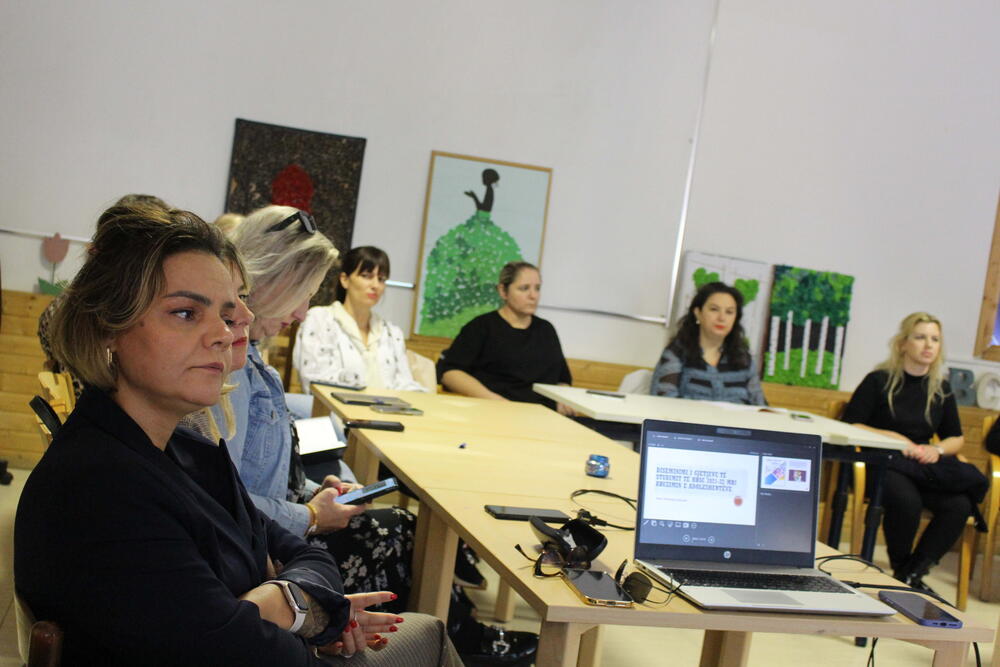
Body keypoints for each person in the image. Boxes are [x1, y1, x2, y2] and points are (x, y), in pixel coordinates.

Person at [16, 202, 460, 665]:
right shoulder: (102, 488)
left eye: (227, 314)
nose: (223, 335)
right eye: (186, 313)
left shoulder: (180, 449)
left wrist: (281, 603)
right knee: (428, 634)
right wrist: (299, 612)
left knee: (426, 629)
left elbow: (305, 554)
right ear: (108, 326)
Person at [224, 207, 537, 665]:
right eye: (300, 295)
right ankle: (448, 637)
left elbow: (261, 474)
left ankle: (454, 629)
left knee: (398, 525)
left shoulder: (254, 361)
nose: (301, 311)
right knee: (397, 533)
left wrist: (315, 493)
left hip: (282, 520)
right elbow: (230, 498)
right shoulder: (231, 372)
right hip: (274, 538)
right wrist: (309, 514)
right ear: (269, 281)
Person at [842, 312, 987, 592]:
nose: (928, 345)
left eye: (934, 339)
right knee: (905, 500)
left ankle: (913, 572)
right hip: (882, 462)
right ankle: (901, 567)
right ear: (902, 343)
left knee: (959, 504)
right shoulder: (878, 380)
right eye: (920, 337)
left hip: (921, 464)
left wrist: (936, 449)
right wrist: (895, 439)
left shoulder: (940, 388)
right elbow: (852, 423)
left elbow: (955, 437)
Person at [437, 261, 574, 414]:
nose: (533, 296)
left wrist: (563, 398)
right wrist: (492, 399)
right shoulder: (481, 327)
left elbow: (562, 379)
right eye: (524, 288)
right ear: (503, 291)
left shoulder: (546, 330)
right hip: (494, 412)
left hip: (543, 416)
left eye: (537, 288)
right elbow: (450, 373)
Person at [294, 245, 426, 393]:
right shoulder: (319, 319)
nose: (375, 285)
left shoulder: (392, 333)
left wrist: (423, 399)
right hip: (335, 413)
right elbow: (314, 380)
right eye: (366, 276)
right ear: (345, 280)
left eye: (381, 279)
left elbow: (404, 384)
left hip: (386, 414)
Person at [649, 281, 766, 405]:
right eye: (714, 309)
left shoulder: (744, 359)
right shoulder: (676, 353)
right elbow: (663, 400)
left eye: (729, 312)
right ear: (698, 313)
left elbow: (760, 406)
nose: (722, 318)